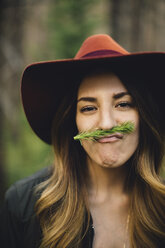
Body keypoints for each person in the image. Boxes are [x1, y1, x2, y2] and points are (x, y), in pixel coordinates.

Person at [0, 34, 165, 248]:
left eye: (123, 104)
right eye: (88, 108)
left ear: (144, 116)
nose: (106, 124)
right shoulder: (24, 205)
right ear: (73, 123)